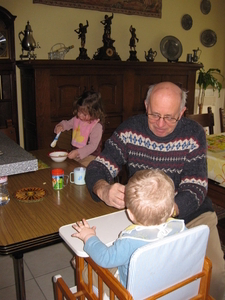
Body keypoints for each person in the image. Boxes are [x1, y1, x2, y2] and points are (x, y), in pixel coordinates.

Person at [85, 82, 225, 300]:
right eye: (154, 114)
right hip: (142, 215)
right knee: (95, 269)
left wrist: (162, 210)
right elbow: (97, 167)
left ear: (182, 112)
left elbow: (195, 188)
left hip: (192, 214)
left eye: (170, 117)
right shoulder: (130, 129)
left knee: (215, 275)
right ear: (146, 105)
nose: (160, 124)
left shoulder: (193, 133)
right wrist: (103, 189)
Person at [72, 169, 185, 292]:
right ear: (171, 210)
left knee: (83, 266)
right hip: (167, 289)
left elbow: (105, 258)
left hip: (130, 293)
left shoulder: (129, 241)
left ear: (129, 214)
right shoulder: (182, 229)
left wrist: (89, 236)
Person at [54, 90, 105, 162]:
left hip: (91, 157)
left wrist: (78, 152)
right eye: (79, 112)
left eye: (84, 114)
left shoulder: (97, 126)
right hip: (76, 154)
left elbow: (92, 146)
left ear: (95, 113)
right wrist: (60, 126)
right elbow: (67, 124)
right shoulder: (77, 120)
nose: (80, 116)